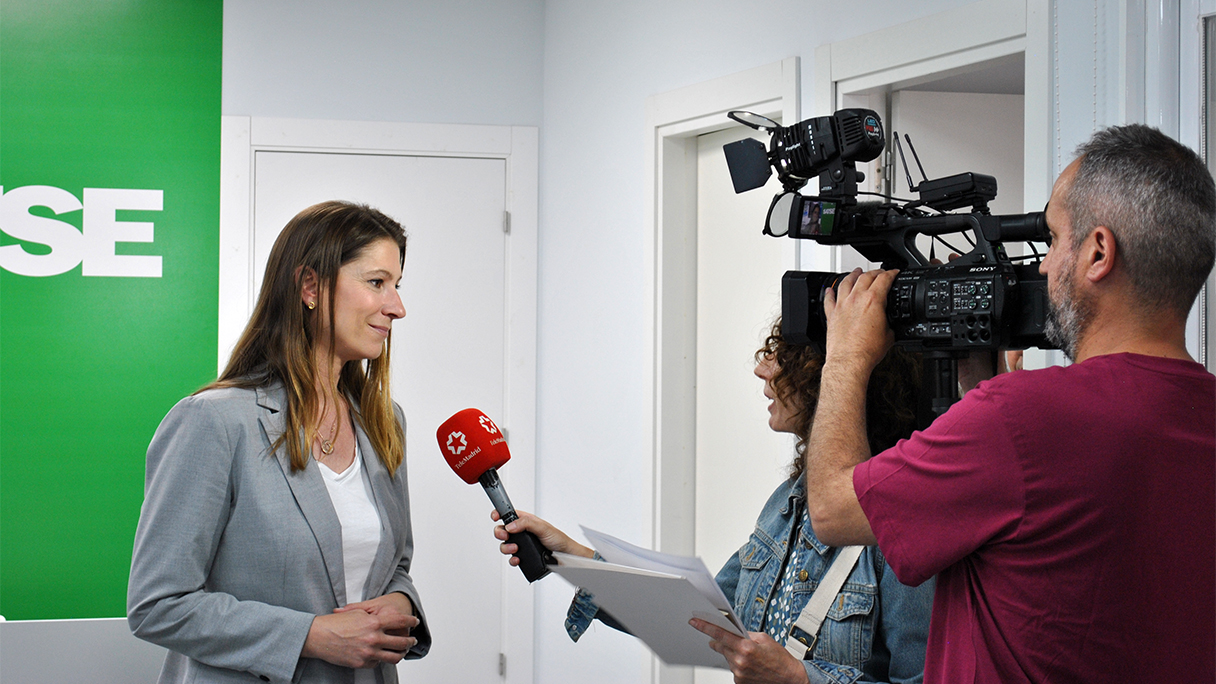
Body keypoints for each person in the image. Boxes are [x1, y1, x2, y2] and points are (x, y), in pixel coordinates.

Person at [804, 124, 1216, 682]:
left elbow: (830, 508)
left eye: (1052, 240)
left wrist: (846, 359)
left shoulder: (1021, 418)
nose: (1042, 268)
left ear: (1098, 252)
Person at [494, 323, 935, 684]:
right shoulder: (787, 501)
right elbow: (696, 611)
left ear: (838, 378)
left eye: (785, 357)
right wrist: (574, 555)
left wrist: (800, 679)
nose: (763, 370)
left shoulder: (904, 520)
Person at [128, 201, 431, 684]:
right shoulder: (215, 421)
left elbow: (394, 565)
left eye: (396, 286)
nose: (396, 306)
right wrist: (311, 635)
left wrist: (401, 599)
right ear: (310, 287)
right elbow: (158, 604)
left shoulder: (384, 422)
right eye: (377, 283)